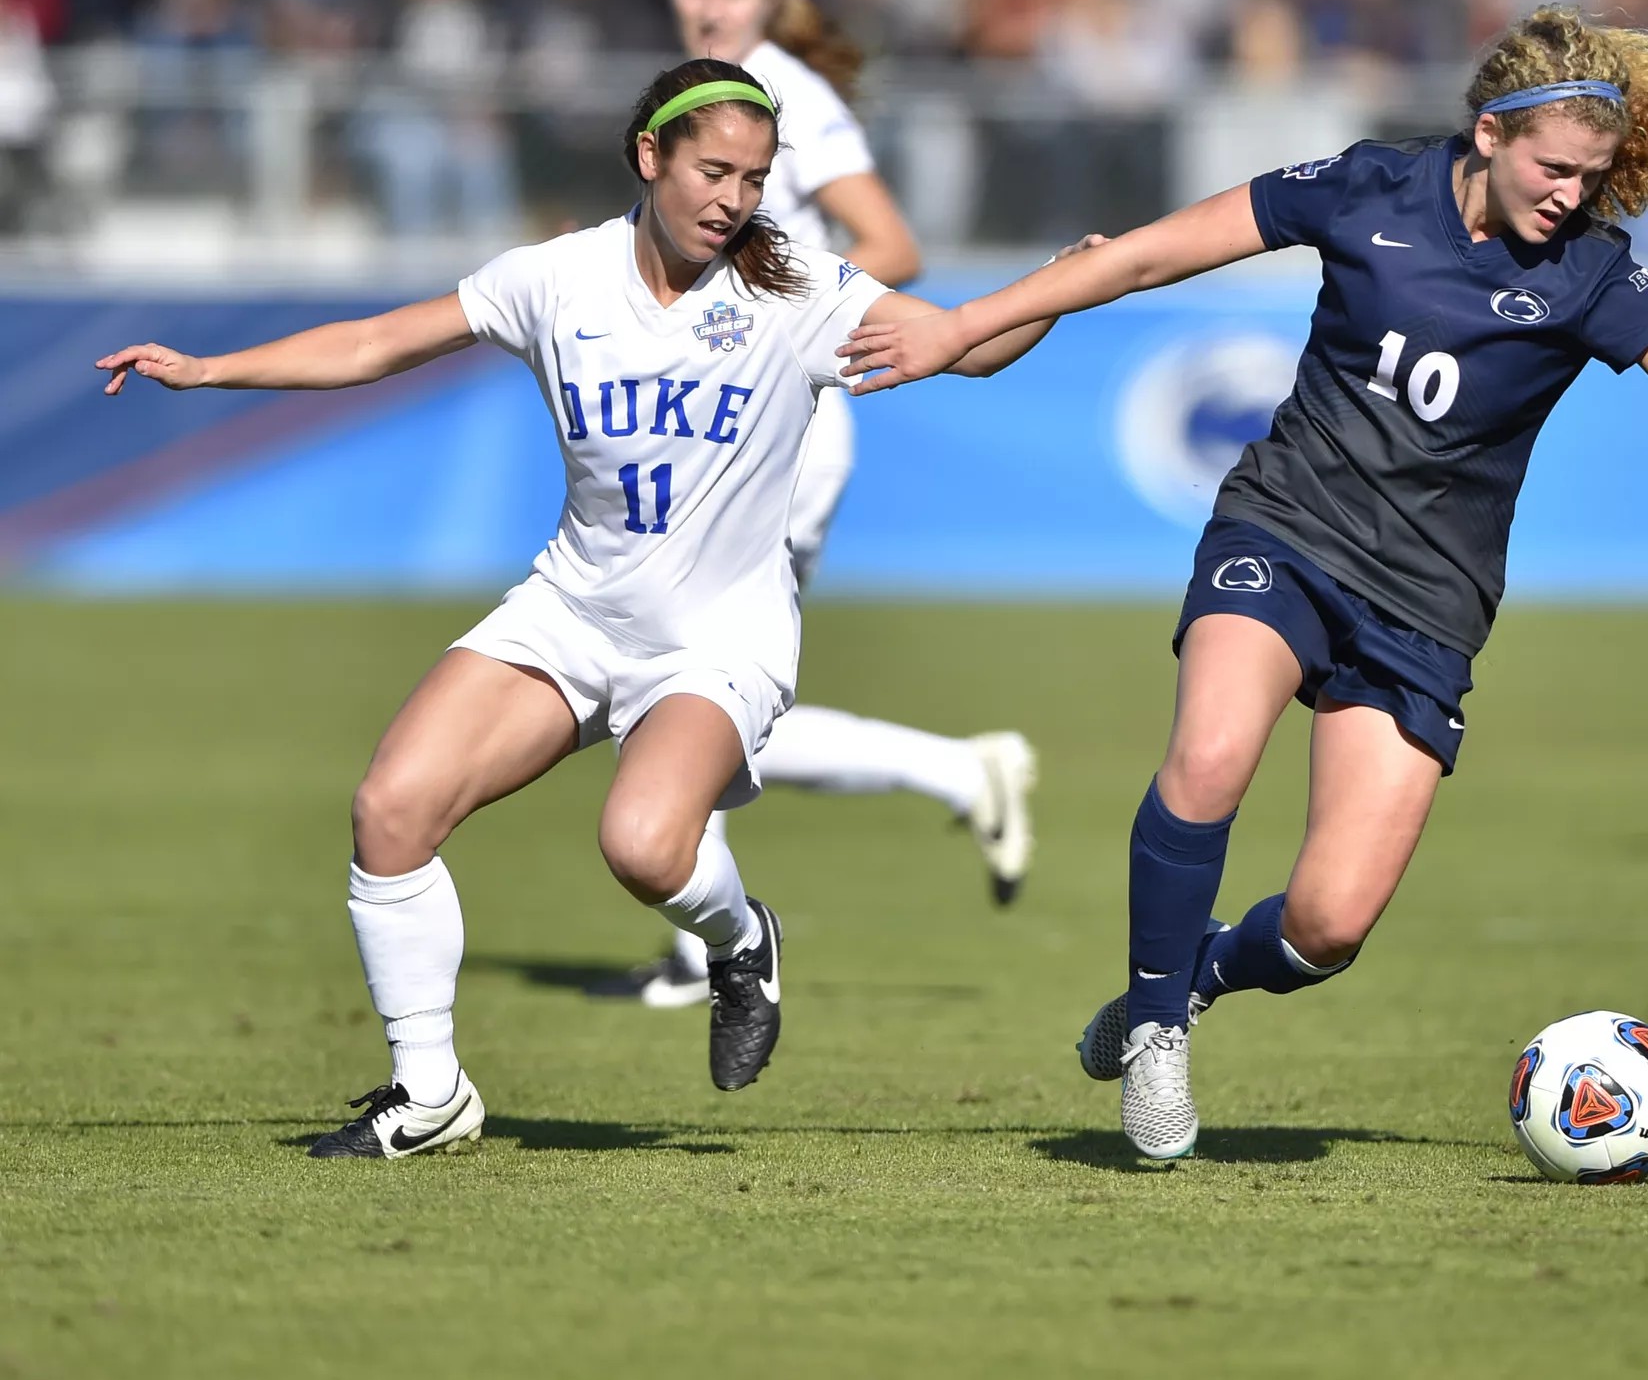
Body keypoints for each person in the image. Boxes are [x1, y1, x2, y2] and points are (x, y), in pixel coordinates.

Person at [839, 6, 1648, 1161]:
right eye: (1552, 169)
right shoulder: (1365, 188)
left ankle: (1191, 971)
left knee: (1327, 924)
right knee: (1209, 754)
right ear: (1486, 134)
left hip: (1425, 604)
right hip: (1287, 525)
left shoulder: (1592, 274)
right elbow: (1144, 252)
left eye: (1591, 175)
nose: (1570, 193)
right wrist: (957, 324)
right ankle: (1155, 1033)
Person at [94, 58, 1051, 1158]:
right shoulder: (556, 277)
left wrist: (1055, 294)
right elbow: (374, 342)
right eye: (712, 169)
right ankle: (430, 1092)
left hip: (719, 635)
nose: (733, 197)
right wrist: (210, 369)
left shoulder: (795, 294)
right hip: (573, 610)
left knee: (644, 847)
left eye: (752, 176)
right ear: (649, 157)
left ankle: (741, 943)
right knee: (390, 809)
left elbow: (960, 345)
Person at [605, 0, 1044, 1012]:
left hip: (781, 430)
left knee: (695, 676)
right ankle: (954, 772)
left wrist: (770, 308)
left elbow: (892, 244)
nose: (713, 6)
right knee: (695, 677)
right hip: (715, 423)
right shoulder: (701, 94)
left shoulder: (787, 96)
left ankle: (709, 940)